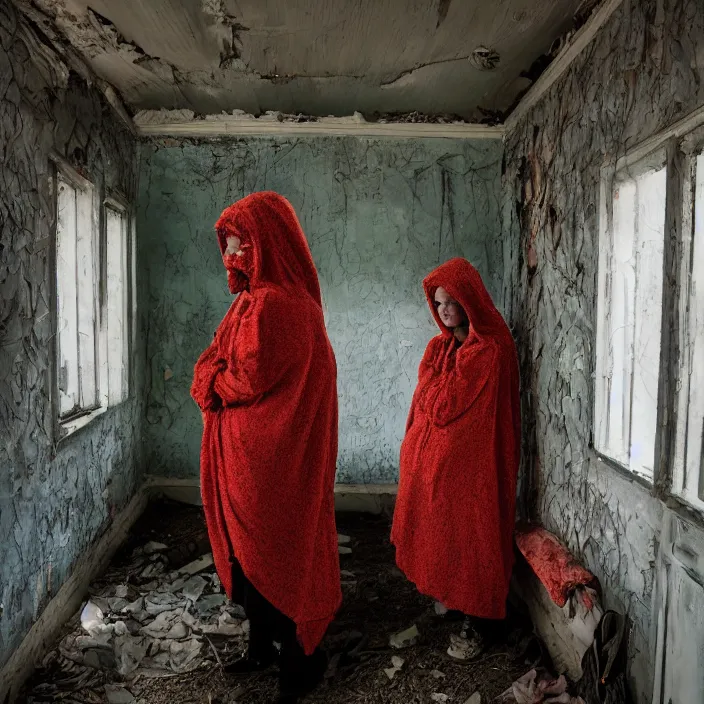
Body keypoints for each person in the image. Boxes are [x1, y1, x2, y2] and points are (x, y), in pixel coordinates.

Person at [191, 192, 341, 703]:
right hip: (251, 460)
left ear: (267, 243)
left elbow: (240, 377)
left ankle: (299, 661)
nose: (231, 253)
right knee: (251, 554)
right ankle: (263, 647)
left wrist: (211, 378)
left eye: (241, 242)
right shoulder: (256, 302)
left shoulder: (276, 305)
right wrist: (213, 372)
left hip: (267, 464)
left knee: (272, 553)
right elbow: (215, 360)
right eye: (228, 243)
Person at [391, 257, 520, 657]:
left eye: (451, 301)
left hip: (474, 470)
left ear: (470, 300)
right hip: (445, 468)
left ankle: (478, 619)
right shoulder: (444, 346)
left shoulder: (487, 349)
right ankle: (455, 595)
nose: (445, 310)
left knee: (473, 538)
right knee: (445, 532)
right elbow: (428, 400)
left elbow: (444, 404)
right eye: (438, 303)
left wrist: (432, 392)